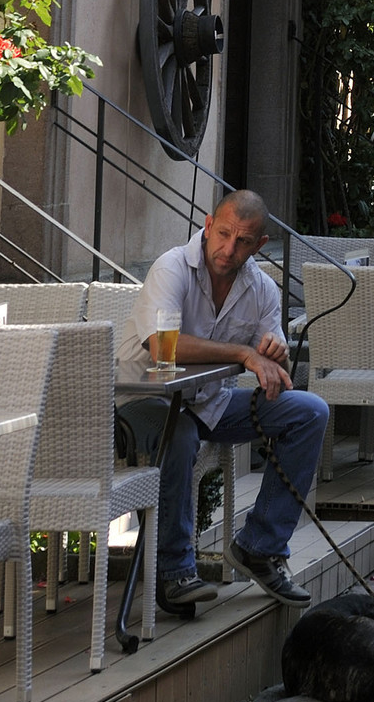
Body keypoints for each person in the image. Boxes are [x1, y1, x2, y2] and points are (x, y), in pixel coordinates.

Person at [126, 190, 329, 611]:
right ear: (207, 225)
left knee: (309, 412)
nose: (229, 248)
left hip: (207, 404)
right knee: (179, 432)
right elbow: (162, 347)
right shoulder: (172, 267)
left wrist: (275, 354)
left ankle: (259, 547)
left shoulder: (262, 289)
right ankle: (174, 572)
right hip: (139, 403)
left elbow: (273, 363)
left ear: (260, 244)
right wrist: (244, 353)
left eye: (243, 241)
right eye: (223, 234)